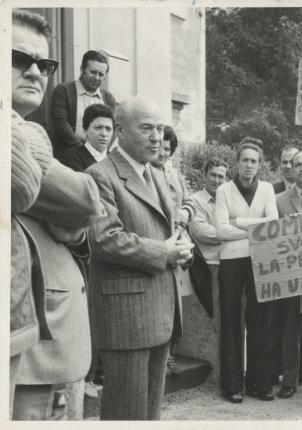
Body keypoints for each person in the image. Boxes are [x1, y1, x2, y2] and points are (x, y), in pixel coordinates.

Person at [11, 9, 105, 419]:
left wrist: (68, 226)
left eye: (44, 64)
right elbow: (86, 197)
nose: (34, 72)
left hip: (45, 345)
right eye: (18, 58)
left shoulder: (27, 131)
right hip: (27, 353)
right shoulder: (20, 136)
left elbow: (82, 214)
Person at [86, 96, 195, 420]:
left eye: (160, 129)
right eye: (146, 128)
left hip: (159, 311)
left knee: (149, 414)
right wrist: (164, 252)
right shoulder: (100, 174)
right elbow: (104, 238)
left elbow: (169, 227)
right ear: (120, 130)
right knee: (126, 413)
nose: (157, 137)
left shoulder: (157, 173)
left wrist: (182, 247)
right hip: (126, 318)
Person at [215, 140, 278, 403]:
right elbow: (220, 231)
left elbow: (273, 225)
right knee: (231, 321)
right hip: (230, 261)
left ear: (259, 164)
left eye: (254, 161)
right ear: (237, 162)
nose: (249, 165)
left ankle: (258, 383)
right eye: (244, 160)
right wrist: (257, 227)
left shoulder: (267, 189)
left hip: (259, 260)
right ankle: (232, 385)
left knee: (260, 321)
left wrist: (238, 223)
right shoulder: (224, 190)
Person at [150, 125, 198, 375]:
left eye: (167, 149)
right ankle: (160, 354)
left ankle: (169, 352)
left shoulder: (174, 174)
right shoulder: (146, 173)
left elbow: (190, 200)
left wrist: (186, 213)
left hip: (178, 241)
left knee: (175, 301)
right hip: (158, 243)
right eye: (159, 148)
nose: (163, 153)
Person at [270, 150, 302, 399]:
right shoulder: (277, 200)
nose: (301, 168)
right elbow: (269, 237)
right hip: (290, 274)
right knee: (290, 327)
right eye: (297, 164)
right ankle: (289, 379)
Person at [188, 157, 228, 382]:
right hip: (207, 267)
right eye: (213, 175)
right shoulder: (194, 201)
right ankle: (214, 373)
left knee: (230, 322)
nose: (217, 180)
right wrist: (232, 235)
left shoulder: (229, 199)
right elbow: (201, 233)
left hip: (229, 265)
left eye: (221, 176)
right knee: (213, 319)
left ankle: (225, 371)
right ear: (205, 175)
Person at [50, 50, 116, 159]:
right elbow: (61, 123)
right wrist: (85, 152)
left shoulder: (108, 98)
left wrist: (103, 149)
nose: (96, 77)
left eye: (101, 74)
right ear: (82, 69)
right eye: (93, 72)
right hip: (67, 156)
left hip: (98, 158)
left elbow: (113, 127)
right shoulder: (63, 91)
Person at [61, 103, 114, 171]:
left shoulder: (114, 159)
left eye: (108, 129)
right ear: (85, 130)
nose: (104, 134)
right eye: (98, 128)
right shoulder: (71, 158)